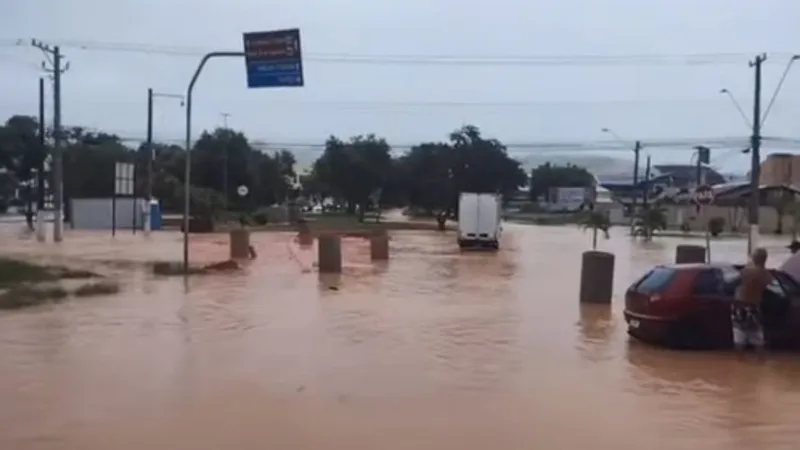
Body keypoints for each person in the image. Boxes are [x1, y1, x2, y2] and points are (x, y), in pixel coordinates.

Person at [732, 248, 772, 353]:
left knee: (739, 338)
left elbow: (731, 283)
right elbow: (770, 289)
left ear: (753, 258)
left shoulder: (745, 272)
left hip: (739, 307)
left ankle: (739, 364)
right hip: (754, 307)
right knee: (757, 338)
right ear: (765, 259)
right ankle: (760, 364)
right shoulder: (766, 275)